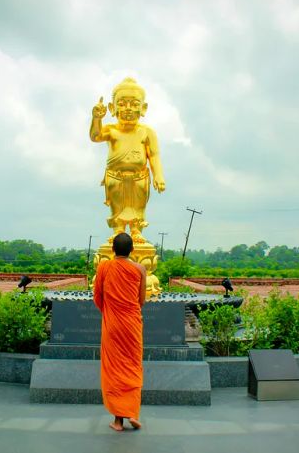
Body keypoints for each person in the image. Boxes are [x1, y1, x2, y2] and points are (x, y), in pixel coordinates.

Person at [90, 77, 165, 244]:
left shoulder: (147, 132)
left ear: (143, 108)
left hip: (140, 177)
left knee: (138, 205)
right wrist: (96, 119)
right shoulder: (111, 130)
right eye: (122, 103)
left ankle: (136, 229)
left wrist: (158, 175)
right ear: (112, 107)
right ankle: (118, 230)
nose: (128, 108)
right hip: (115, 177)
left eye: (134, 104)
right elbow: (95, 136)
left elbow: (154, 155)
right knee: (117, 204)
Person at [93, 232, 147, 432]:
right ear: (133, 250)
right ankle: (132, 413)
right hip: (132, 325)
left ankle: (118, 421)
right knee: (132, 367)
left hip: (113, 325)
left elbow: (98, 297)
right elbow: (141, 301)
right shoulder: (140, 269)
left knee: (116, 370)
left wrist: (110, 312)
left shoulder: (104, 267)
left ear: (113, 250)